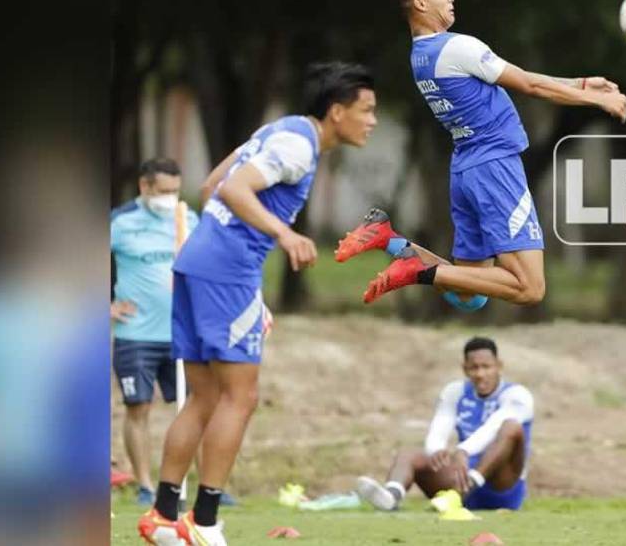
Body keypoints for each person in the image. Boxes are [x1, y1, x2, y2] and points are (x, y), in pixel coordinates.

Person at [138, 62, 377, 546]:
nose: (372, 121)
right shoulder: (297, 145)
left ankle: (164, 516)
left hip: (200, 262)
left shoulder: (279, 130)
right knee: (240, 397)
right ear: (336, 112)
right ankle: (204, 523)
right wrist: (284, 234)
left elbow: (211, 187)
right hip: (225, 271)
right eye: (367, 110)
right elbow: (233, 189)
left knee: (205, 396)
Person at [333, 0, 626, 308]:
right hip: (496, 167)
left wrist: (579, 83)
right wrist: (597, 99)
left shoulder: (421, 57)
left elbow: (520, 77)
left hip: (466, 169)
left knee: (469, 295)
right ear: (420, 2)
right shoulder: (457, 46)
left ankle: (390, 241)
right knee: (530, 288)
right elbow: (529, 86)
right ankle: (416, 270)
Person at [355, 336, 534, 512]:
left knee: (511, 426)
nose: (480, 374)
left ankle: (465, 490)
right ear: (465, 369)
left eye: (486, 367)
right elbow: (440, 425)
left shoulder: (518, 396)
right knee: (409, 454)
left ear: (499, 366)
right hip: (459, 482)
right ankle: (390, 497)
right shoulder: (454, 392)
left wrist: (463, 450)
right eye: (474, 368)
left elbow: (494, 426)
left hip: (502, 487)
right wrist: (436, 450)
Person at [112, 158, 199, 507]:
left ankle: (207, 488)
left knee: (197, 407)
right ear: (144, 187)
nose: (170, 198)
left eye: (175, 191)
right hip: (136, 334)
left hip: (183, 333)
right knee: (139, 408)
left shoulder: (187, 218)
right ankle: (146, 486)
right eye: (163, 191)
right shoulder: (121, 222)